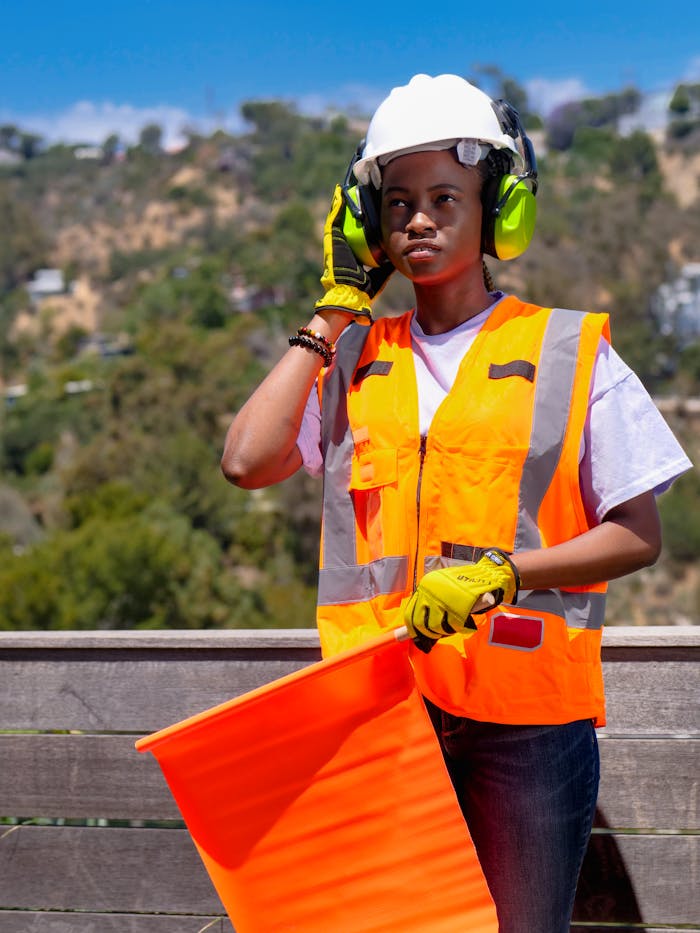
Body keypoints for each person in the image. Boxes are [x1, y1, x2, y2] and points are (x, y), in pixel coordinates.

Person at [221, 74, 692, 933]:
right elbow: (246, 461)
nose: (419, 221)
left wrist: (507, 574)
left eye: (445, 197)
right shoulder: (353, 359)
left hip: (528, 726)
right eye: (396, 203)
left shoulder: (566, 347)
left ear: (498, 207)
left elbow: (638, 535)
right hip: (382, 717)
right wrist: (332, 310)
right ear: (370, 225)